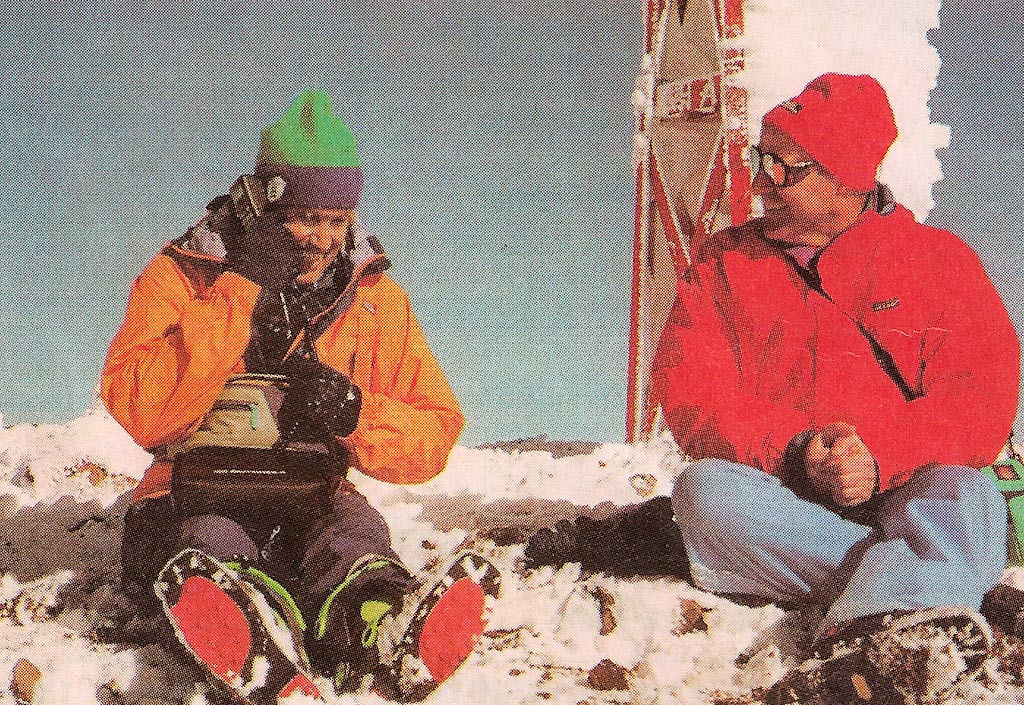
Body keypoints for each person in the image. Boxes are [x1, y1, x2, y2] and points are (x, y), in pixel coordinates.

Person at [528, 73, 1020, 692]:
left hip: (909, 487)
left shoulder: (937, 259)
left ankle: (878, 632)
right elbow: (687, 391)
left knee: (965, 496)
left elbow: (982, 394)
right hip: (783, 494)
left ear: (848, 177)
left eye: (786, 168)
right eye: (762, 159)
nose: (761, 183)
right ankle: (923, 589)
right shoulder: (722, 262)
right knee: (707, 495)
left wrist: (881, 453)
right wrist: (796, 449)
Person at [102, 90, 464, 690]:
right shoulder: (187, 274)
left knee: (352, 541)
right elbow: (140, 407)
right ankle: (246, 629)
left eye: (337, 220)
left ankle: (382, 628)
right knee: (208, 545)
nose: (323, 239)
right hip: (192, 492)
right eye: (306, 217)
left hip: (312, 493)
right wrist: (238, 292)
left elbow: (435, 431)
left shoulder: (372, 300)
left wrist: (354, 412)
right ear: (264, 204)